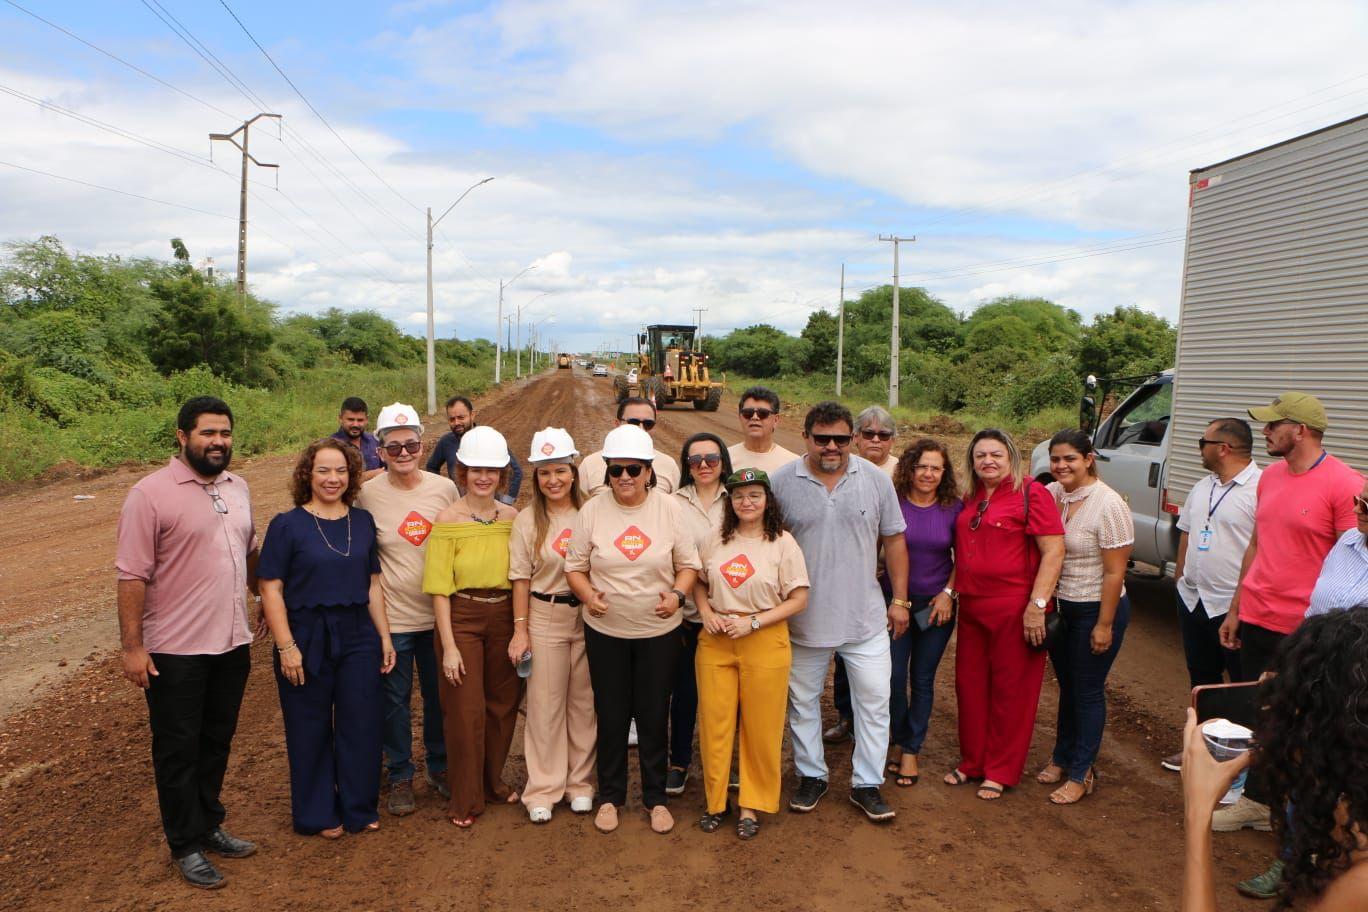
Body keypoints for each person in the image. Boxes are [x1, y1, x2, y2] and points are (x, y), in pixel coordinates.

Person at [116, 397, 260, 889]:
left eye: (224, 433)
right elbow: (132, 576)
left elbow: (249, 550)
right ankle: (184, 844)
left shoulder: (238, 487)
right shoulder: (149, 494)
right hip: (175, 651)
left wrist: (264, 595)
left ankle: (209, 824)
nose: (218, 442)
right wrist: (133, 648)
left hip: (231, 643)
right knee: (178, 750)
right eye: (207, 433)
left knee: (216, 741)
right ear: (181, 436)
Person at [1215, 392, 1362, 834]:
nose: (1264, 432)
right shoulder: (1270, 477)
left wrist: (1329, 637)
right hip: (1258, 614)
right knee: (1259, 712)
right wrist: (1236, 608)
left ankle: (1305, 824)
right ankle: (1260, 801)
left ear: (1300, 430)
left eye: (1273, 425)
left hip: (1308, 632)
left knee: (1301, 724)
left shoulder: (1345, 484)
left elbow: (1356, 561)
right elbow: (1258, 545)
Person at [770, 401, 910, 823]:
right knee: (803, 704)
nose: (832, 447)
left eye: (841, 439)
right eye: (822, 439)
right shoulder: (781, 482)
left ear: (853, 439)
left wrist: (899, 600)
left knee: (875, 701)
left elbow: (895, 542)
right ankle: (812, 775)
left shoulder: (875, 480)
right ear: (806, 438)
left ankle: (866, 783)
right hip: (803, 621)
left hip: (863, 618)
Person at [1180, 608, 1368, 911]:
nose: (1271, 713)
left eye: (1287, 702)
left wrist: (1198, 812)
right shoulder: (1348, 828)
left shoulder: (1359, 886)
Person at [564, 424, 701, 835]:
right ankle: (611, 797)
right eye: (616, 469)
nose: (625, 477)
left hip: (658, 632)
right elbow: (575, 567)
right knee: (612, 712)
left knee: (654, 712)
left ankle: (656, 799)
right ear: (606, 471)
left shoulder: (670, 509)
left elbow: (688, 565)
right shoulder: (593, 510)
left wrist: (677, 595)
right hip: (606, 631)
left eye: (634, 469)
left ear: (649, 471)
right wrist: (588, 596)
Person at [257, 438, 396, 838]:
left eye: (341, 471)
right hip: (306, 633)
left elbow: (372, 584)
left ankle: (358, 806)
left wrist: (383, 636)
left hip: (357, 633)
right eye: (324, 470)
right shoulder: (287, 525)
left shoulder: (362, 522)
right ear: (307, 474)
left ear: (351, 476)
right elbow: (270, 589)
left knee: (362, 723)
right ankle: (318, 813)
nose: (332, 478)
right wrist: (286, 646)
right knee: (309, 725)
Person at [943, 428, 1064, 801]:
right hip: (973, 608)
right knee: (970, 685)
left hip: (1015, 607)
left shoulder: (1032, 493)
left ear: (1011, 456)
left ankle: (1001, 770)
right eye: (981, 456)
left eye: (996, 454)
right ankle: (972, 762)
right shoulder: (970, 496)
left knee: (1012, 692)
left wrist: (1037, 606)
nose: (988, 462)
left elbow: (1054, 551)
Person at [694, 468, 809, 839]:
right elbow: (698, 582)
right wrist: (707, 613)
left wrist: (755, 622)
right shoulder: (715, 539)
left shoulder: (782, 543)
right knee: (715, 724)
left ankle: (751, 805)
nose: (747, 502)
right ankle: (715, 803)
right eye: (739, 496)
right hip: (717, 640)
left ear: (767, 500)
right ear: (730, 501)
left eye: (755, 495)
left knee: (761, 727)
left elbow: (799, 598)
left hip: (764, 639)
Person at [355, 403, 458, 816]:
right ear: (379, 450)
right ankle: (400, 773)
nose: (403, 453)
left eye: (410, 445)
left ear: (422, 446)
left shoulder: (443, 490)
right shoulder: (365, 494)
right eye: (393, 446)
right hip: (393, 620)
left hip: (438, 618)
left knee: (439, 698)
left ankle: (439, 766)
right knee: (395, 701)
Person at [422, 426, 522, 828]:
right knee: (465, 711)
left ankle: (492, 782)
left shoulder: (514, 518)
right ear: (462, 472)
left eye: (492, 470)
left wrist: (520, 627)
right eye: (476, 469)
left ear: (502, 475)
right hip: (461, 618)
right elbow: (439, 590)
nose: (484, 477)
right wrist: (448, 646)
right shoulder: (447, 520)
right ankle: (466, 798)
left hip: (503, 615)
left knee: (502, 707)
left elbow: (521, 577)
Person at [1036, 429, 1134, 804]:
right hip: (1061, 607)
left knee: (1088, 689)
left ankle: (1082, 771)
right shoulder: (1052, 494)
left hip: (1096, 607)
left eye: (1070, 459)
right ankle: (1062, 756)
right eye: (1056, 459)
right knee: (1068, 686)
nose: (1061, 466)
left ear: (1088, 459)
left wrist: (1104, 624)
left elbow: (1115, 572)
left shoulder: (1108, 504)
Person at [507, 428, 596, 823]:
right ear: (536, 478)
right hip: (545, 616)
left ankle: (580, 784)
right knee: (544, 707)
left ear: (573, 472)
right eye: (545, 473)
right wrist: (520, 629)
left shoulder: (592, 512)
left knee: (584, 704)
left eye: (560, 470)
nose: (553, 480)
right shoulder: (528, 521)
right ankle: (542, 788)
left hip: (590, 617)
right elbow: (521, 579)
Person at [1161, 418, 1259, 772]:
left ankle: (1240, 764)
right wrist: (1181, 574)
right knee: (1201, 680)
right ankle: (1202, 749)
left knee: (1242, 684)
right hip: (1193, 598)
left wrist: (1240, 602)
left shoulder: (1261, 489)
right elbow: (1187, 531)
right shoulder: (1203, 485)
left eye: (1203, 441)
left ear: (1223, 448)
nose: (1198, 447)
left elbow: (1261, 547)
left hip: (1233, 605)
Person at [884, 438, 963, 789]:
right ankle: (898, 739)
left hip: (936, 607)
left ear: (944, 473)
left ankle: (912, 749)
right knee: (893, 678)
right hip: (895, 603)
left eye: (935, 468)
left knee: (923, 679)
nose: (928, 473)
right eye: (922, 466)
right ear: (910, 468)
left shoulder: (954, 508)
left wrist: (948, 594)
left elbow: (966, 558)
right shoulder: (893, 504)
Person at [667, 432, 734, 796]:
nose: (704, 465)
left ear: (723, 460)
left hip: (730, 616)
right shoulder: (672, 503)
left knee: (727, 696)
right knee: (684, 692)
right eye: (696, 461)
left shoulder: (738, 498)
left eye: (711, 458)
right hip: (688, 615)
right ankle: (679, 762)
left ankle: (727, 764)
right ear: (686, 466)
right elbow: (675, 559)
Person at [426, 395, 523, 505]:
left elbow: (516, 472)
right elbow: (432, 467)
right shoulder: (446, 442)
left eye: (461, 417)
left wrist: (506, 502)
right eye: (452, 419)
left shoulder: (489, 437)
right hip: (460, 508)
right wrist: (444, 492)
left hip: (489, 507)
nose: (456, 422)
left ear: (472, 415)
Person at [578, 397, 682, 496]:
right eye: (633, 423)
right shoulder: (589, 465)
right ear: (617, 424)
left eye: (648, 424)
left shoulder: (669, 466)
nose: (641, 429)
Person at [728, 386, 799, 474]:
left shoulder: (793, 464)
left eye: (763, 413)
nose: (755, 417)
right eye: (748, 413)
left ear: (776, 420)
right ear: (740, 417)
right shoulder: (724, 460)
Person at [331, 396, 383, 474]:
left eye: (360, 420)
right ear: (340, 418)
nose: (355, 424)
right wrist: (370, 475)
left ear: (366, 420)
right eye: (350, 420)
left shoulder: (375, 441)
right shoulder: (331, 446)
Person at [854, 406, 898, 477]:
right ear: (855, 437)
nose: (876, 440)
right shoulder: (843, 469)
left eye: (883, 435)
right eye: (868, 434)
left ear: (893, 441)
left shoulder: (902, 471)